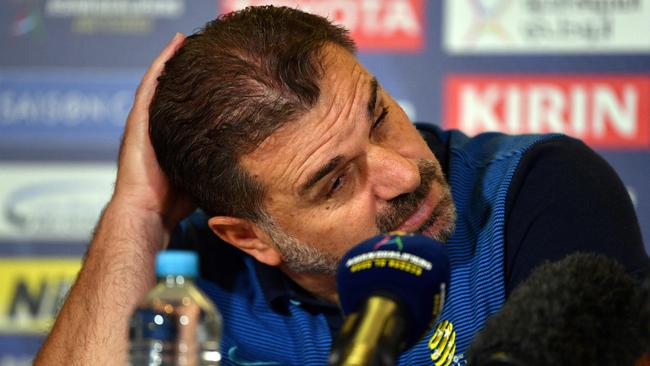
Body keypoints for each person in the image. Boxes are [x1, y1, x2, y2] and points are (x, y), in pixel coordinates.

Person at [35, 6, 648, 366]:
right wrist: (136, 212)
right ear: (249, 236)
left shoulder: (535, 192)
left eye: (379, 115)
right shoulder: (189, 286)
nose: (405, 174)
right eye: (334, 182)